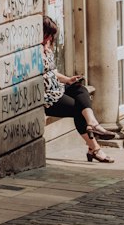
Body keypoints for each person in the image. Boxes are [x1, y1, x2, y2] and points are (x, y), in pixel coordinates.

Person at [42, 16, 116, 163]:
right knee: (79, 109)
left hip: (57, 88)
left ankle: (92, 123)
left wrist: (68, 79)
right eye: (48, 34)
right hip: (47, 96)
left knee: (80, 88)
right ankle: (95, 149)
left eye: (51, 35)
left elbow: (53, 72)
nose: (50, 38)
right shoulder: (33, 52)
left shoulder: (47, 49)